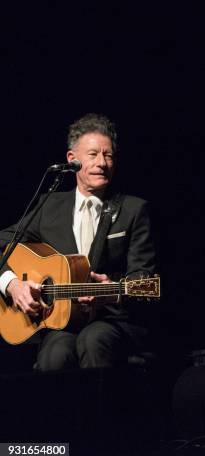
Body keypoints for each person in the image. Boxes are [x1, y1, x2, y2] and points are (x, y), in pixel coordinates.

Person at [0, 113, 156, 371]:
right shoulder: (50, 206)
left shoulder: (133, 209)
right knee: (54, 355)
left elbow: (143, 277)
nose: (102, 163)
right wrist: (12, 284)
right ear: (72, 160)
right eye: (93, 154)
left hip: (113, 322)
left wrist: (114, 291)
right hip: (61, 322)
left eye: (108, 155)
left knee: (93, 340)